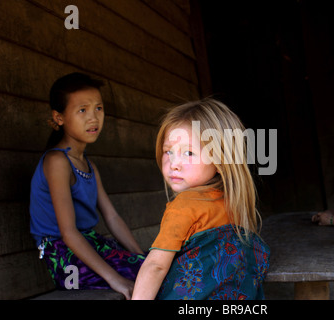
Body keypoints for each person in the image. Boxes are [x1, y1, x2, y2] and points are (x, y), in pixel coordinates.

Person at [132, 98, 270, 300]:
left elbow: (155, 266)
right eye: (168, 151)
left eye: (188, 152)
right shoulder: (236, 204)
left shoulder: (185, 206)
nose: (174, 163)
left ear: (221, 158)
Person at [29, 72, 145, 300]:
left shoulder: (88, 165)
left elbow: (112, 217)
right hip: (67, 261)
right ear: (59, 117)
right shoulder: (57, 162)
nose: (93, 118)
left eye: (98, 108)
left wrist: (142, 258)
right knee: (144, 280)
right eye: (82, 110)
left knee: (154, 268)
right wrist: (114, 278)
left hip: (91, 246)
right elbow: (68, 233)